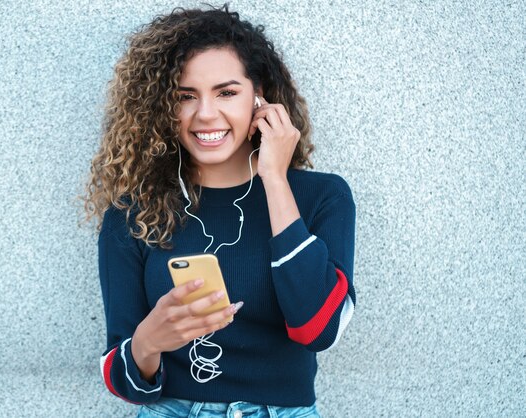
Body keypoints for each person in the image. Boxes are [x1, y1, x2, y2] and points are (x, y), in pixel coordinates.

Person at [81, 4, 356, 417]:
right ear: (163, 109)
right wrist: (148, 342)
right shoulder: (132, 214)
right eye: (185, 96)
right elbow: (121, 377)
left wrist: (276, 180)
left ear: (259, 97)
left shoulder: (323, 197)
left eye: (226, 92)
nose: (206, 113)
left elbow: (320, 329)